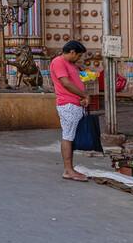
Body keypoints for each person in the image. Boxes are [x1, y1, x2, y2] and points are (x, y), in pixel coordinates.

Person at [50, 40, 89, 183]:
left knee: (70, 136)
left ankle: (70, 168)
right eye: (78, 55)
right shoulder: (58, 62)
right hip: (67, 104)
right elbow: (65, 83)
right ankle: (68, 169)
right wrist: (83, 95)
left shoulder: (71, 64)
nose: (79, 58)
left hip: (74, 103)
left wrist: (82, 97)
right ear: (72, 52)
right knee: (68, 136)